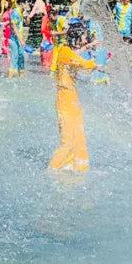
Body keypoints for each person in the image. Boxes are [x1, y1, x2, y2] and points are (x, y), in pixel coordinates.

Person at [49, 22, 98, 172]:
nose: (85, 41)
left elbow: (76, 56)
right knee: (68, 139)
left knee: (78, 134)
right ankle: (52, 170)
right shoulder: (64, 51)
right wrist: (98, 65)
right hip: (64, 98)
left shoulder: (68, 51)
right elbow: (80, 62)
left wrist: (87, 47)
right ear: (75, 38)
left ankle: (74, 166)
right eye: (83, 38)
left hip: (72, 97)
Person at [8, 0, 27, 77]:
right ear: (22, 4)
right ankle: (10, 78)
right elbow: (14, 27)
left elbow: (28, 22)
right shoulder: (15, 12)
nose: (28, 5)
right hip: (14, 39)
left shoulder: (22, 12)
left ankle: (21, 77)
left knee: (21, 57)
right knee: (14, 57)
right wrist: (21, 40)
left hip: (19, 40)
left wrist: (27, 15)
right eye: (27, 3)